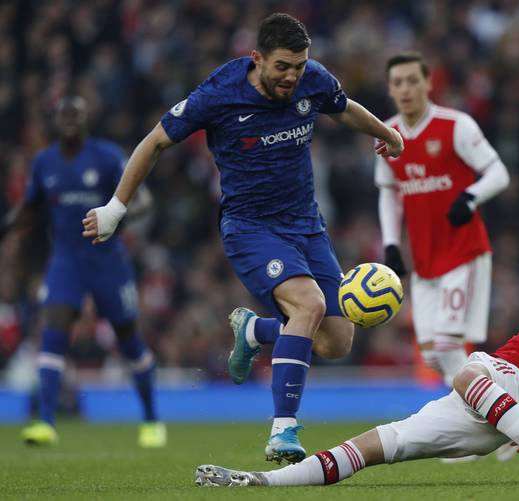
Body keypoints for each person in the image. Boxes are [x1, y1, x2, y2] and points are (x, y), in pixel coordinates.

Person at [193, 141, 519, 487]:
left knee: (467, 369)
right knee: (378, 444)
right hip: (490, 416)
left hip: (498, 384)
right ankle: (260, 481)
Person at [81, 13, 404, 464]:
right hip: (251, 227)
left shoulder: (313, 79)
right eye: (282, 67)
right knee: (308, 305)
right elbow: (154, 142)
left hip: (306, 226)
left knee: (336, 340)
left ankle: (255, 329)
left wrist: (386, 133)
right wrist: (116, 209)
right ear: (257, 59)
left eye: (299, 66)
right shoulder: (219, 93)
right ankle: (283, 431)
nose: (292, 76)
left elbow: (343, 106)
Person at [0, 96, 164, 447]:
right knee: (52, 332)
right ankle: (45, 422)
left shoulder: (106, 157)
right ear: (56, 122)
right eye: (65, 115)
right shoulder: (44, 162)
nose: (71, 121)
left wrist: (116, 216)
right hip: (66, 261)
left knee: (129, 340)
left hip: (107, 260)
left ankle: (151, 420)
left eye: (77, 115)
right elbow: (29, 208)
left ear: (87, 120)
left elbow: (145, 200)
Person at [375, 52, 510, 387]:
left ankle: (492, 414)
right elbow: (389, 192)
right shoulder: (386, 135)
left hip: (463, 252)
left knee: (450, 345)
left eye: (412, 80)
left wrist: (470, 196)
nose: (405, 89)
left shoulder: (455, 126)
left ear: (428, 83)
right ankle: (495, 401)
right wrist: (391, 244)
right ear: (390, 89)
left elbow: (499, 172)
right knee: (434, 357)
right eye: (397, 83)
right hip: (424, 261)